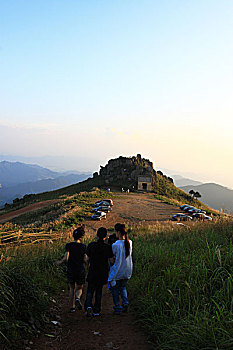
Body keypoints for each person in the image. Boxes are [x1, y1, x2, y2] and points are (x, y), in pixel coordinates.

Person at [57, 226, 87, 313]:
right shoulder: (83, 246)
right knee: (80, 287)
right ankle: (77, 298)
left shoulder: (68, 245)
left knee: (71, 288)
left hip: (71, 269)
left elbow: (66, 258)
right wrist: (88, 264)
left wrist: (59, 262)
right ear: (82, 237)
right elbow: (85, 259)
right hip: (80, 269)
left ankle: (72, 307)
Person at [84, 227, 114, 316]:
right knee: (99, 291)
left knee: (90, 290)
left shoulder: (91, 245)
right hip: (102, 272)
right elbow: (112, 261)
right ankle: (97, 310)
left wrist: (88, 264)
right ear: (105, 236)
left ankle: (88, 306)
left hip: (93, 270)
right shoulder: (108, 247)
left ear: (97, 235)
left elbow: (86, 258)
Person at [108, 224, 133, 315]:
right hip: (127, 270)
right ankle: (125, 302)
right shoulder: (129, 242)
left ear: (118, 232)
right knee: (123, 287)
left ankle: (117, 307)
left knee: (115, 289)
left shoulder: (115, 245)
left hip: (118, 271)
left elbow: (113, 258)